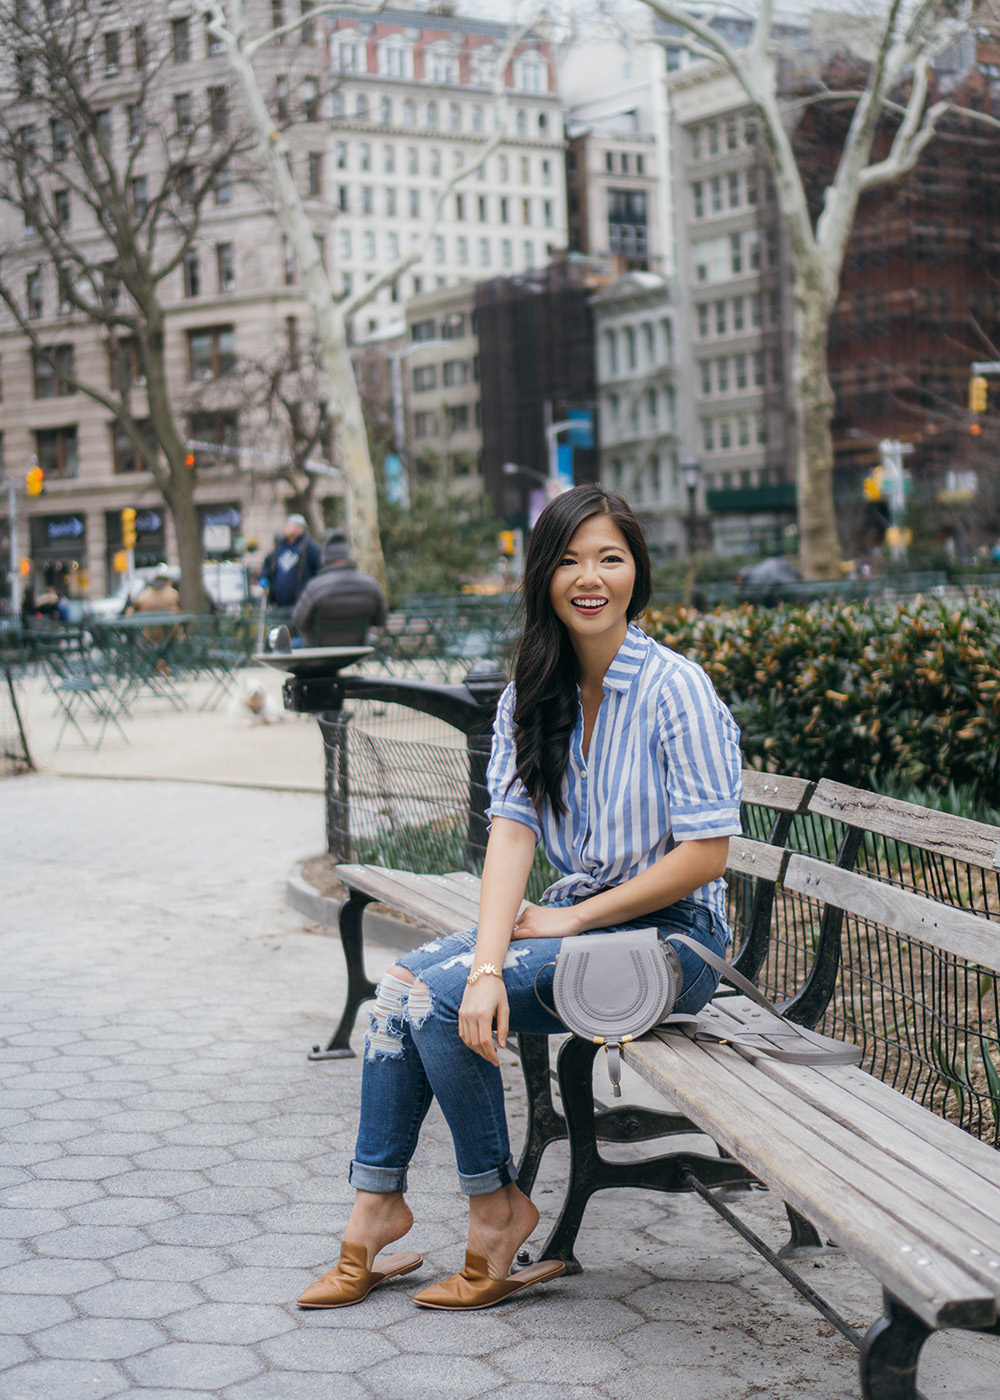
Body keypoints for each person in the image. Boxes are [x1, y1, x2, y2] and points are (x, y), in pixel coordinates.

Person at [297, 484, 742, 1314]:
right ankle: (378, 1206)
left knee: (433, 998)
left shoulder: (674, 689)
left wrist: (567, 919)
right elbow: (510, 834)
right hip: (584, 933)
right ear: (543, 576)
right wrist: (491, 960)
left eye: (610, 558)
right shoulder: (530, 692)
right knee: (405, 990)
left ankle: (495, 1211)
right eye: (570, 559)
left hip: (676, 945)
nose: (591, 577)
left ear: (636, 572)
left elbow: (706, 854)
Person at [291, 529, 388, 647]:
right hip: (356, 651)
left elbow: (298, 621)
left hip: (319, 652)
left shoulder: (315, 587)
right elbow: (381, 620)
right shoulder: (371, 585)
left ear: (326, 557)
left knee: (289, 645)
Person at [261, 514, 321, 610]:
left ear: (300, 529)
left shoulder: (309, 548)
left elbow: (319, 569)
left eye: (291, 525)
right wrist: (264, 577)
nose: (287, 528)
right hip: (279, 605)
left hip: (301, 605)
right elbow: (268, 564)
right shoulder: (280, 547)